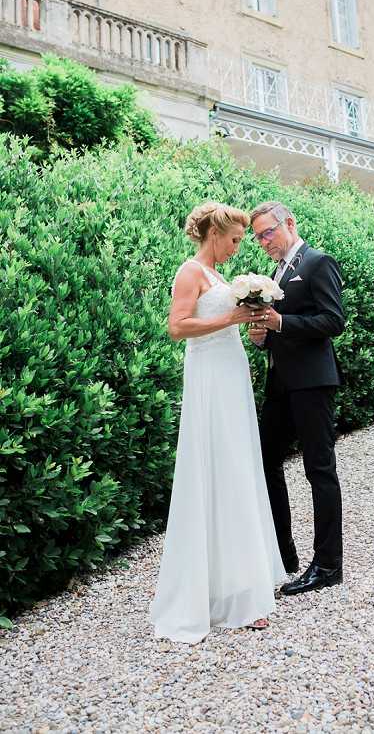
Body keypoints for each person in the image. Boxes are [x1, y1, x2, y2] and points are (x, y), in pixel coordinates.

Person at [150, 202, 285, 643]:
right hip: (209, 380)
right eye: (235, 240)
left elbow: (218, 323)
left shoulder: (220, 278)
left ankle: (241, 585)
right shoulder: (190, 272)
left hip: (231, 376)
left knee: (238, 470)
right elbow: (177, 327)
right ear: (215, 234)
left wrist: (249, 327)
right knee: (220, 470)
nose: (237, 247)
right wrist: (230, 317)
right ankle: (230, 597)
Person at [248, 201, 345, 596]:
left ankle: (327, 564)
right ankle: (283, 554)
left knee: (318, 470)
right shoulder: (275, 272)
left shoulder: (318, 262)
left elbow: (332, 320)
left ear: (288, 223)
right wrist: (264, 337)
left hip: (313, 383)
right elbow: (281, 330)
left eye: (267, 233)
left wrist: (282, 322)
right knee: (265, 460)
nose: (263, 242)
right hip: (281, 385)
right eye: (257, 237)